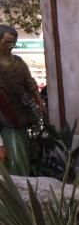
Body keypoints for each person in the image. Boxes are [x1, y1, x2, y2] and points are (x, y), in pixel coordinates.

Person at [0, 24, 44, 175]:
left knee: (23, 156)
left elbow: (30, 82)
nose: (11, 46)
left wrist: (39, 103)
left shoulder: (18, 62)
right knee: (14, 159)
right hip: (5, 121)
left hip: (22, 116)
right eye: (7, 42)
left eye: (13, 42)